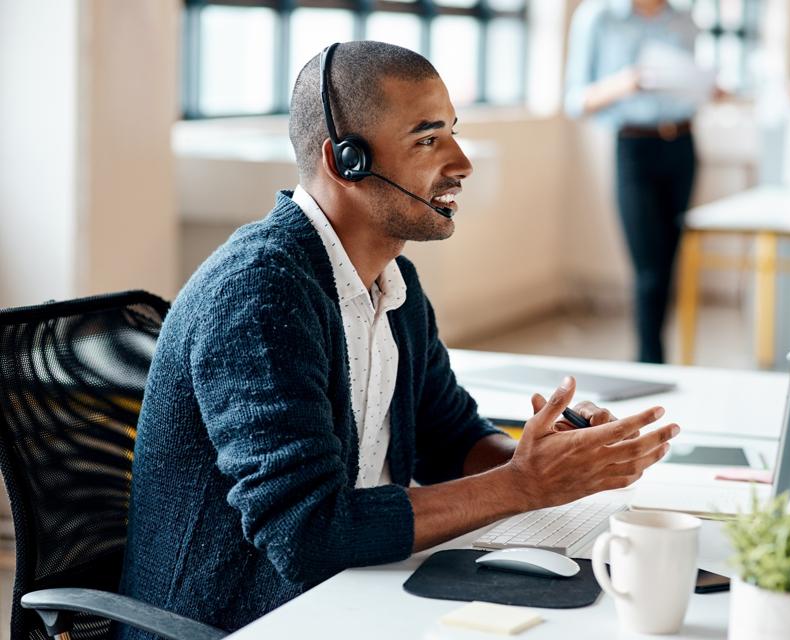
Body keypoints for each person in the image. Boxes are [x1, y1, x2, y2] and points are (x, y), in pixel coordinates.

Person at [118, 41, 680, 636]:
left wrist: (547, 460)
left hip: (346, 591)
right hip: (241, 617)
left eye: (452, 133)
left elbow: (450, 438)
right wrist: (523, 485)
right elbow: (308, 533)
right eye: (428, 139)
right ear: (347, 161)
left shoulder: (392, 281)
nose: (461, 162)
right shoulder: (260, 295)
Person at [565, 0, 702, 364]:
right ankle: (649, 359)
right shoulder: (598, 17)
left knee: (669, 262)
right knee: (649, 268)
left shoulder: (684, 19)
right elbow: (576, 100)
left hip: (684, 144)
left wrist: (704, 88)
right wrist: (625, 83)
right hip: (634, 147)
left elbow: (691, 84)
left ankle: (657, 355)